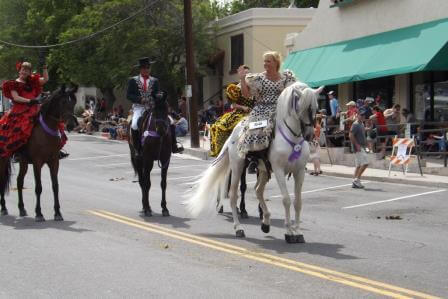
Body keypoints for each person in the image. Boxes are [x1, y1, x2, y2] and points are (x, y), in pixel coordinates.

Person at [237, 51, 296, 173]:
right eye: (264, 61)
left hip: (280, 108)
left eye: (268, 61)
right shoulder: (258, 78)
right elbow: (246, 94)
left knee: (296, 124)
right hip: (261, 109)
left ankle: (297, 154)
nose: (265, 63)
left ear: (276, 63)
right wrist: (242, 79)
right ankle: (254, 157)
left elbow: (292, 93)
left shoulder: (286, 78)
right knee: (256, 127)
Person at [0, 61, 69, 159]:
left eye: (27, 70)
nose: (25, 72)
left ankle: (55, 149)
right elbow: (16, 97)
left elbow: (45, 79)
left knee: (52, 121)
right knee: (22, 128)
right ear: (19, 71)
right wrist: (30, 101)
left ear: (29, 72)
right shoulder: (14, 83)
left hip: (35, 108)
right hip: (20, 110)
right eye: (23, 70)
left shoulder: (32, 81)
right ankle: (19, 151)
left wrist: (45, 68)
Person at [126, 57, 182, 157]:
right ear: (140, 69)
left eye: (148, 67)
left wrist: (159, 96)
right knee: (134, 124)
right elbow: (129, 95)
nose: (147, 69)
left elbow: (156, 93)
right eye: (144, 68)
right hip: (139, 107)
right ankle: (137, 149)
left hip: (153, 106)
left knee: (171, 121)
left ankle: (174, 145)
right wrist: (140, 99)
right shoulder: (133, 80)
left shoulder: (155, 81)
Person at [209, 73, 255, 157]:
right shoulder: (236, 89)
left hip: (253, 113)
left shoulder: (255, 89)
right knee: (220, 126)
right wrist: (243, 107)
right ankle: (224, 150)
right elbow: (233, 105)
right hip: (240, 113)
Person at [349, 111, 369, 189]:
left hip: (362, 147)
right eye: (361, 115)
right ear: (357, 115)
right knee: (365, 163)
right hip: (358, 147)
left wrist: (367, 145)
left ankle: (355, 181)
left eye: (364, 115)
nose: (363, 117)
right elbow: (350, 135)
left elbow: (363, 136)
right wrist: (357, 145)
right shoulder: (355, 124)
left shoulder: (361, 124)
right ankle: (356, 180)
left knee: (358, 165)